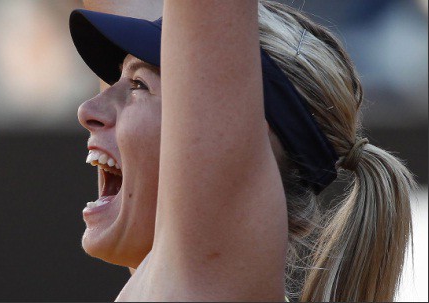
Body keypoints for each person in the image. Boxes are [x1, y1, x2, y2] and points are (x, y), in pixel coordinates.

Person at [70, 0, 415, 301]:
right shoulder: (174, 277)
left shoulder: (207, 277)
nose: (88, 110)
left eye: (138, 85)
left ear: (237, 143)